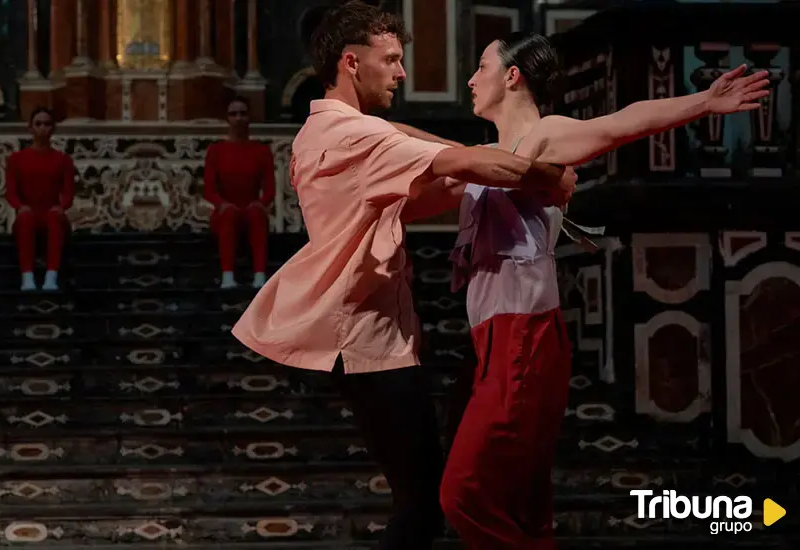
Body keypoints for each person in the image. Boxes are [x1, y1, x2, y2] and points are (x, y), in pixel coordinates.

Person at [230, 4, 577, 549]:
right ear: (351, 63)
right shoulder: (355, 137)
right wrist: (547, 176)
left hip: (376, 336)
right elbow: (470, 165)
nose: (401, 72)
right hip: (367, 342)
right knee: (423, 507)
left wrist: (480, 176)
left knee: (429, 497)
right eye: (390, 59)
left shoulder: (336, 133)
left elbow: (424, 189)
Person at [426, 32, 769, 549]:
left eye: (481, 67)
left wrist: (704, 102)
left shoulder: (545, 134)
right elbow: (426, 152)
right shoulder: (492, 154)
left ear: (513, 76)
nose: (471, 79)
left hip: (523, 334)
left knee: (463, 494)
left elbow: (621, 123)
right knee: (521, 503)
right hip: (497, 339)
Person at [203, 96, 276, 289]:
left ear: (249, 117)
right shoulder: (216, 151)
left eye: (243, 113)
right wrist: (222, 204)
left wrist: (260, 203)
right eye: (233, 114)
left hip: (252, 211)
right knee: (229, 214)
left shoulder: (261, 151)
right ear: (227, 119)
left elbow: (269, 190)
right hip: (225, 213)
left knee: (256, 214)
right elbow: (209, 190)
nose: (238, 118)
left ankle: (260, 276)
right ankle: (228, 276)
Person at [4, 107, 76, 291]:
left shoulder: (63, 160)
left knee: (54, 217)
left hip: (53, 215)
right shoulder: (16, 159)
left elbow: (68, 193)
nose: (42, 128)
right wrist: (20, 207)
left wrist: (62, 207)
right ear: (30, 128)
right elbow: (11, 192)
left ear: (53, 129)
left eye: (47, 124)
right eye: (38, 124)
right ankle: (27, 277)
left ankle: (51, 277)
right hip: (28, 214)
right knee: (26, 217)